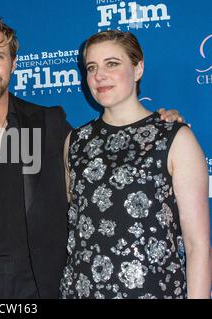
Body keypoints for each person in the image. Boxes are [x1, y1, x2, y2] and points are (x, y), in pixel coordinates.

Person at [0, 18, 182, 299]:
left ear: (14, 63)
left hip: (40, 286)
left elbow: (101, 158)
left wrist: (156, 125)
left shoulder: (47, 124)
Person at [59, 30, 210, 299]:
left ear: (138, 68)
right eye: (91, 67)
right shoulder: (76, 141)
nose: (99, 75)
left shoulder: (174, 137)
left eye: (112, 64)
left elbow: (197, 244)